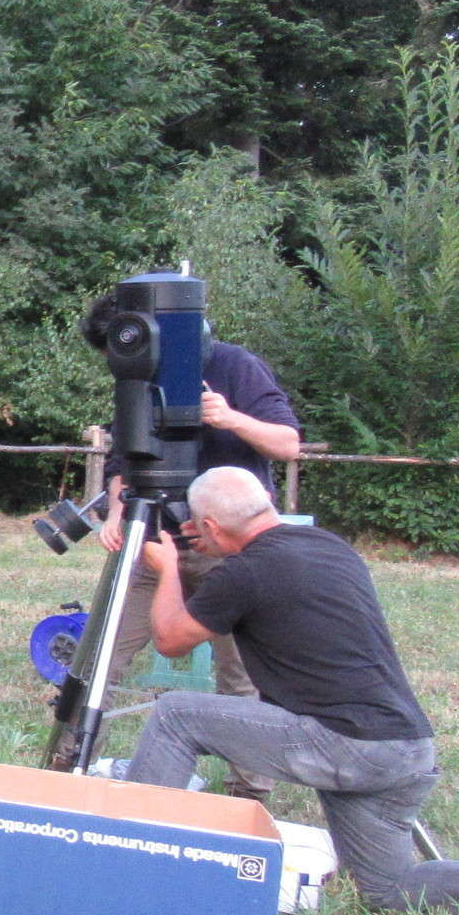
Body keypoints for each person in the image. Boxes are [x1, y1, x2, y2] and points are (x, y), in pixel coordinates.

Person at [126, 465, 459, 915]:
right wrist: (216, 540)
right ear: (265, 500)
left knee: (176, 715)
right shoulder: (329, 545)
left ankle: (127, 858)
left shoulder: (244, 572)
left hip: (345, 744)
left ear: (208, 525)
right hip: (404, 746)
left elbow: (170, 639)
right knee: (386, 889)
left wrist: (168, 569)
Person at [88, 293, 303, 798]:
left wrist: (229, 418)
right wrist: (117, 512)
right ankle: (72, 768)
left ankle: (248, 797)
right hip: (154, 542)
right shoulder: (135, 378)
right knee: (99, 659)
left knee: (242, 677)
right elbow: (123, 460)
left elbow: (288, 444)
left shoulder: (234, 365)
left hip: (226, 552)